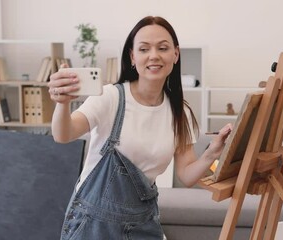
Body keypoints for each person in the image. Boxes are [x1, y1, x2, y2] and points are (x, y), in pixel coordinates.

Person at [48, 15, 232, 240]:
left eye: (162, 48)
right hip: (93, 225)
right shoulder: (111, 97)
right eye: (144, 49)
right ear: (133, 57)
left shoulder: (180, 113)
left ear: (175, 54)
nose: (154, 56)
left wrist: (212, 152)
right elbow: (63, 134)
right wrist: (62, 103)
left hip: (144, 224)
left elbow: (186, 175)